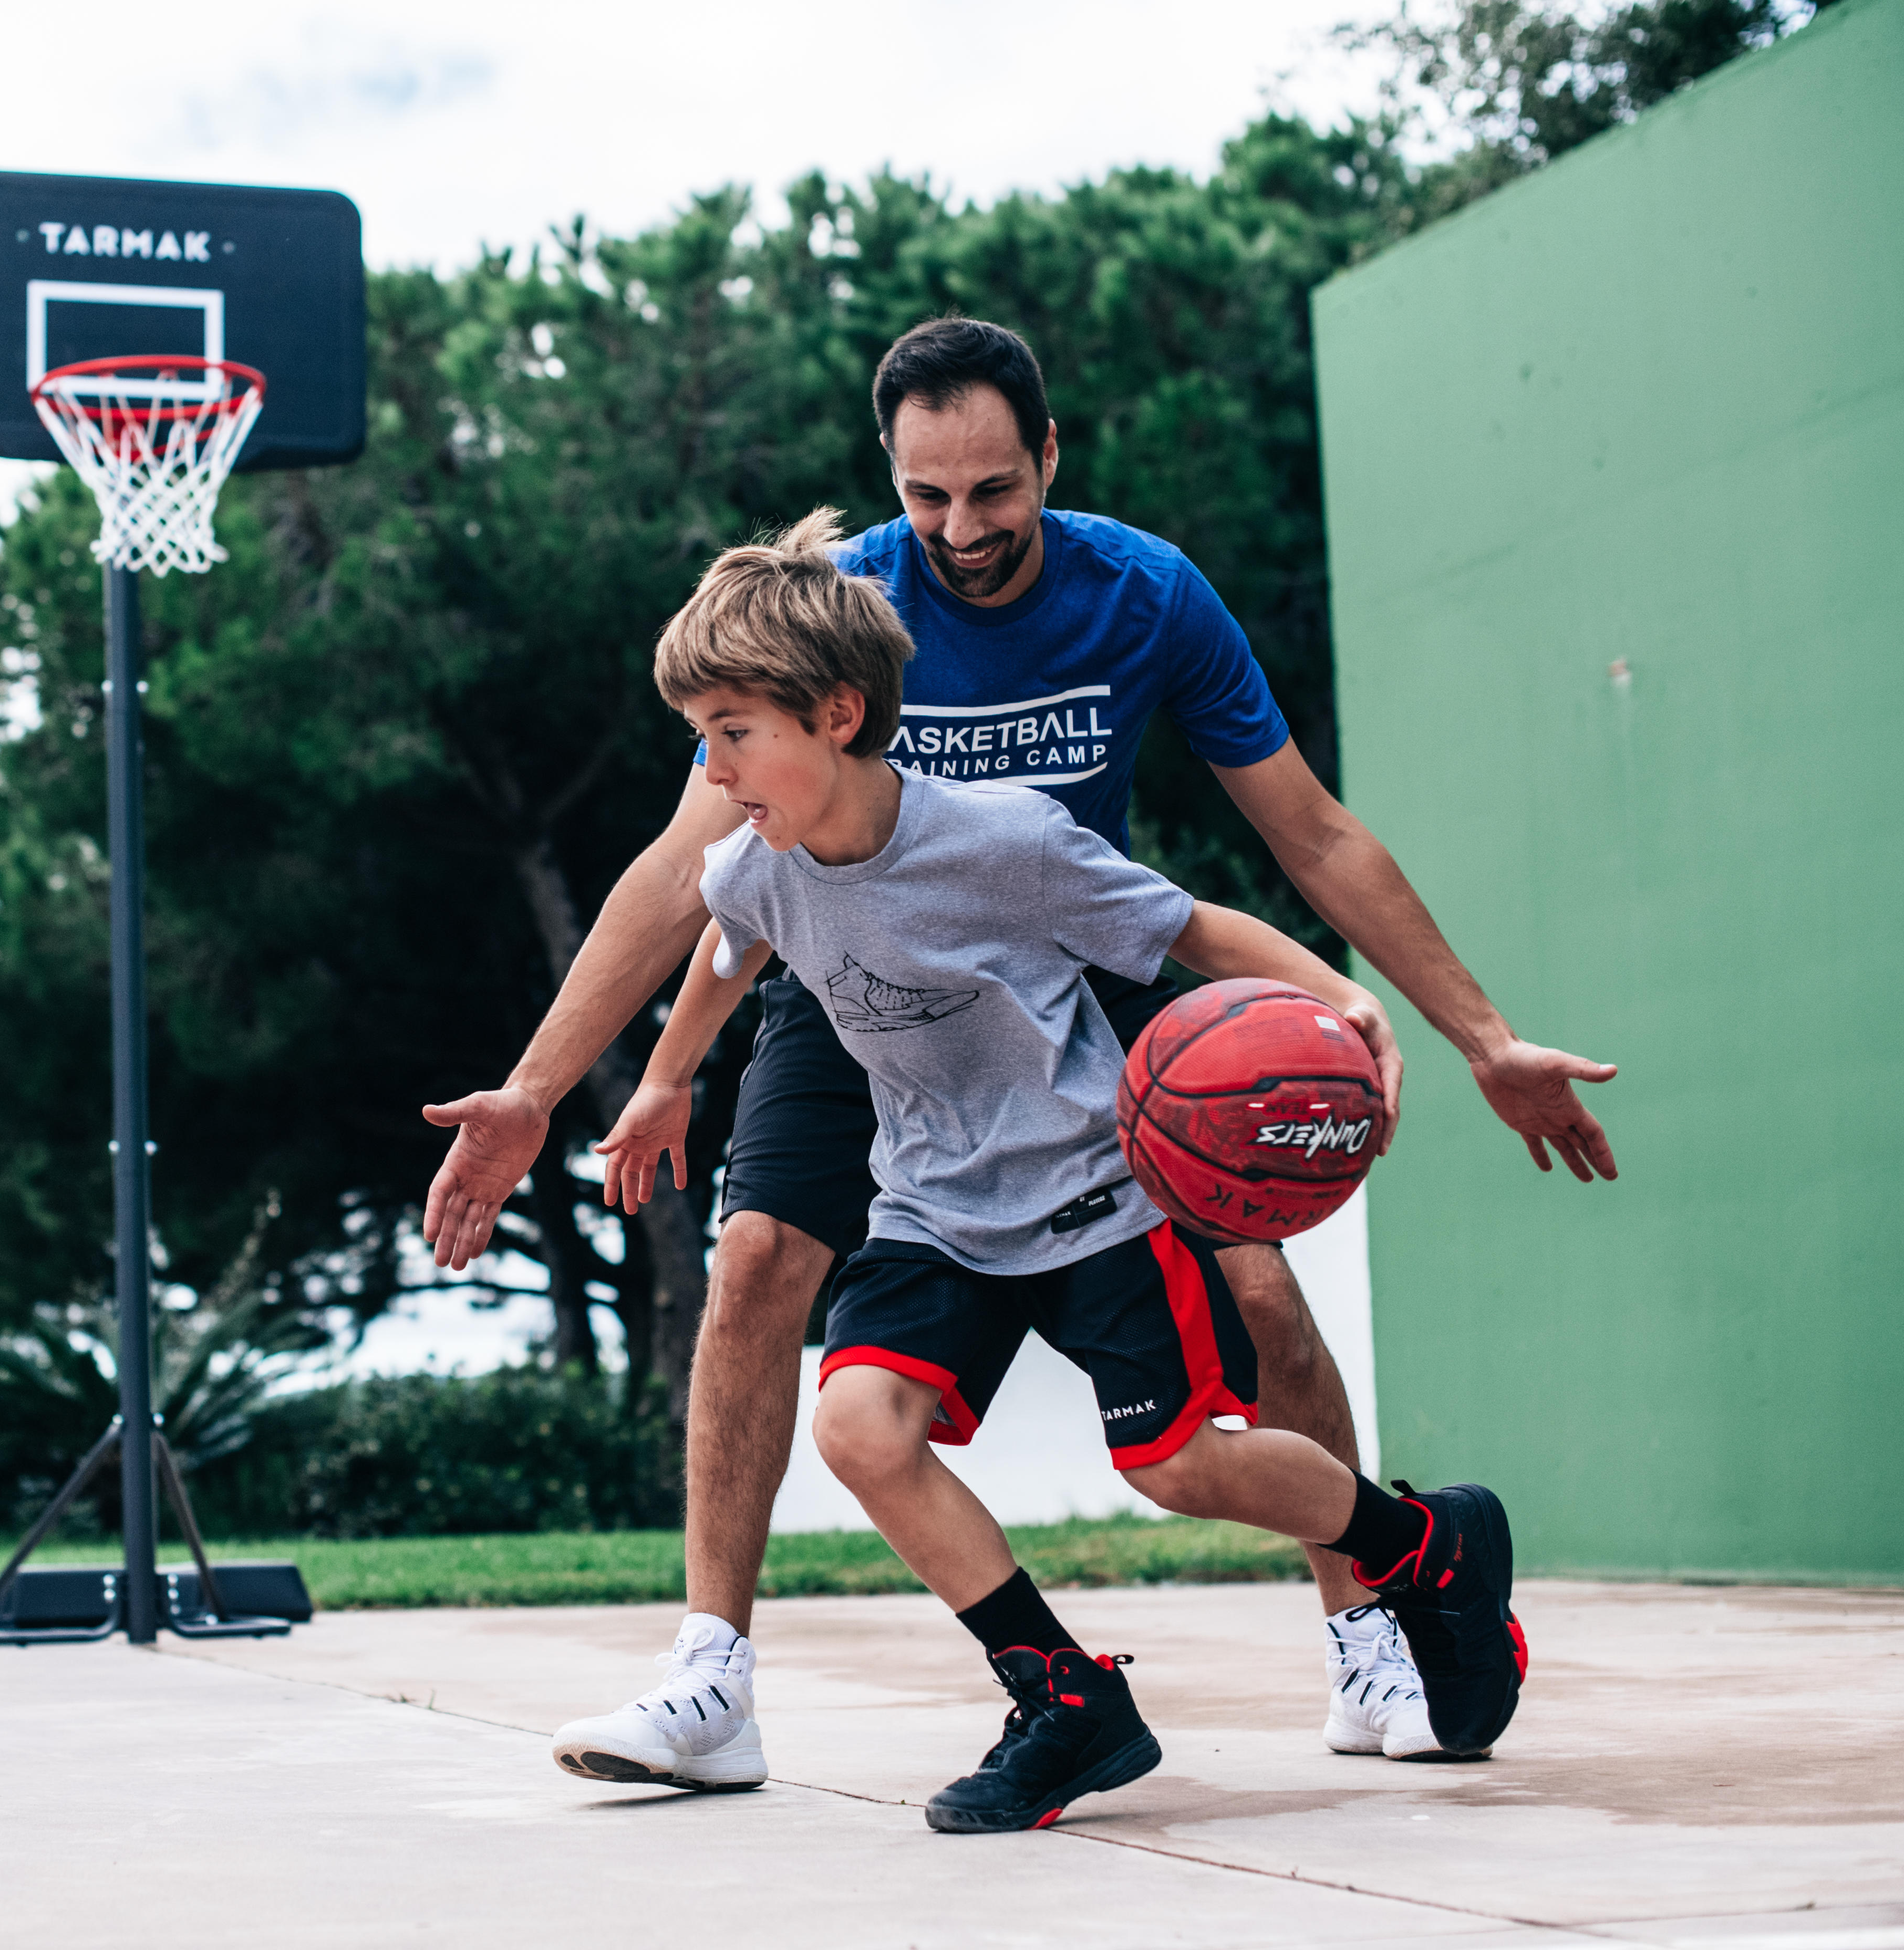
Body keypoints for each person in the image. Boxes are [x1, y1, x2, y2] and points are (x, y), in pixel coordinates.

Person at [422, 318, 1612, 1787]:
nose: (961, 528)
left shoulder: (1142, 596)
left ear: (1047, 457)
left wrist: (1471, 1035)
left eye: (993, 490)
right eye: (928, 495)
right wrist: (566, 1087)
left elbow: (1301, 833)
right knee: (754, 1267)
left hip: (1062, 972)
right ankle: (714, 1680)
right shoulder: (820, 621)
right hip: (856, 979)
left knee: (1260, 1302)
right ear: (891, 478)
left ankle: (1370, 1613)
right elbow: (697, 884)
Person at [559, 513, 1526, 1829]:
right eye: (700, 733)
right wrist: (669, 1075)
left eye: (732, 730)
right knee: (860, 1424)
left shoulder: (1000, 841)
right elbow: (726, 946)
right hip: (936, 1209)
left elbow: (1189, 926)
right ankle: (1065, 1695)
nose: (712, 766)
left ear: (838, 713)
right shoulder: (761, 859)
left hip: (1096, 1198)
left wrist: (1340, 1004)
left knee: (1179, 1465)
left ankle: (1428, 1544)